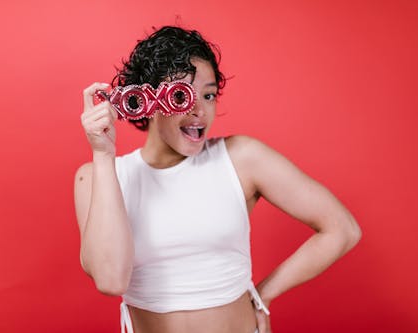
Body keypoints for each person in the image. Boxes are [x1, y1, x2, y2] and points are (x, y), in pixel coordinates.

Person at [74, 26, 361, 333]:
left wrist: (261, 295)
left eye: (209, 95)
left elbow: (342, 229)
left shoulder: (241, 158)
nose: (200, 111)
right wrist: (103, 155)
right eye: (182, 96)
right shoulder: (97, 177)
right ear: (149, 100)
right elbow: (111, 279)